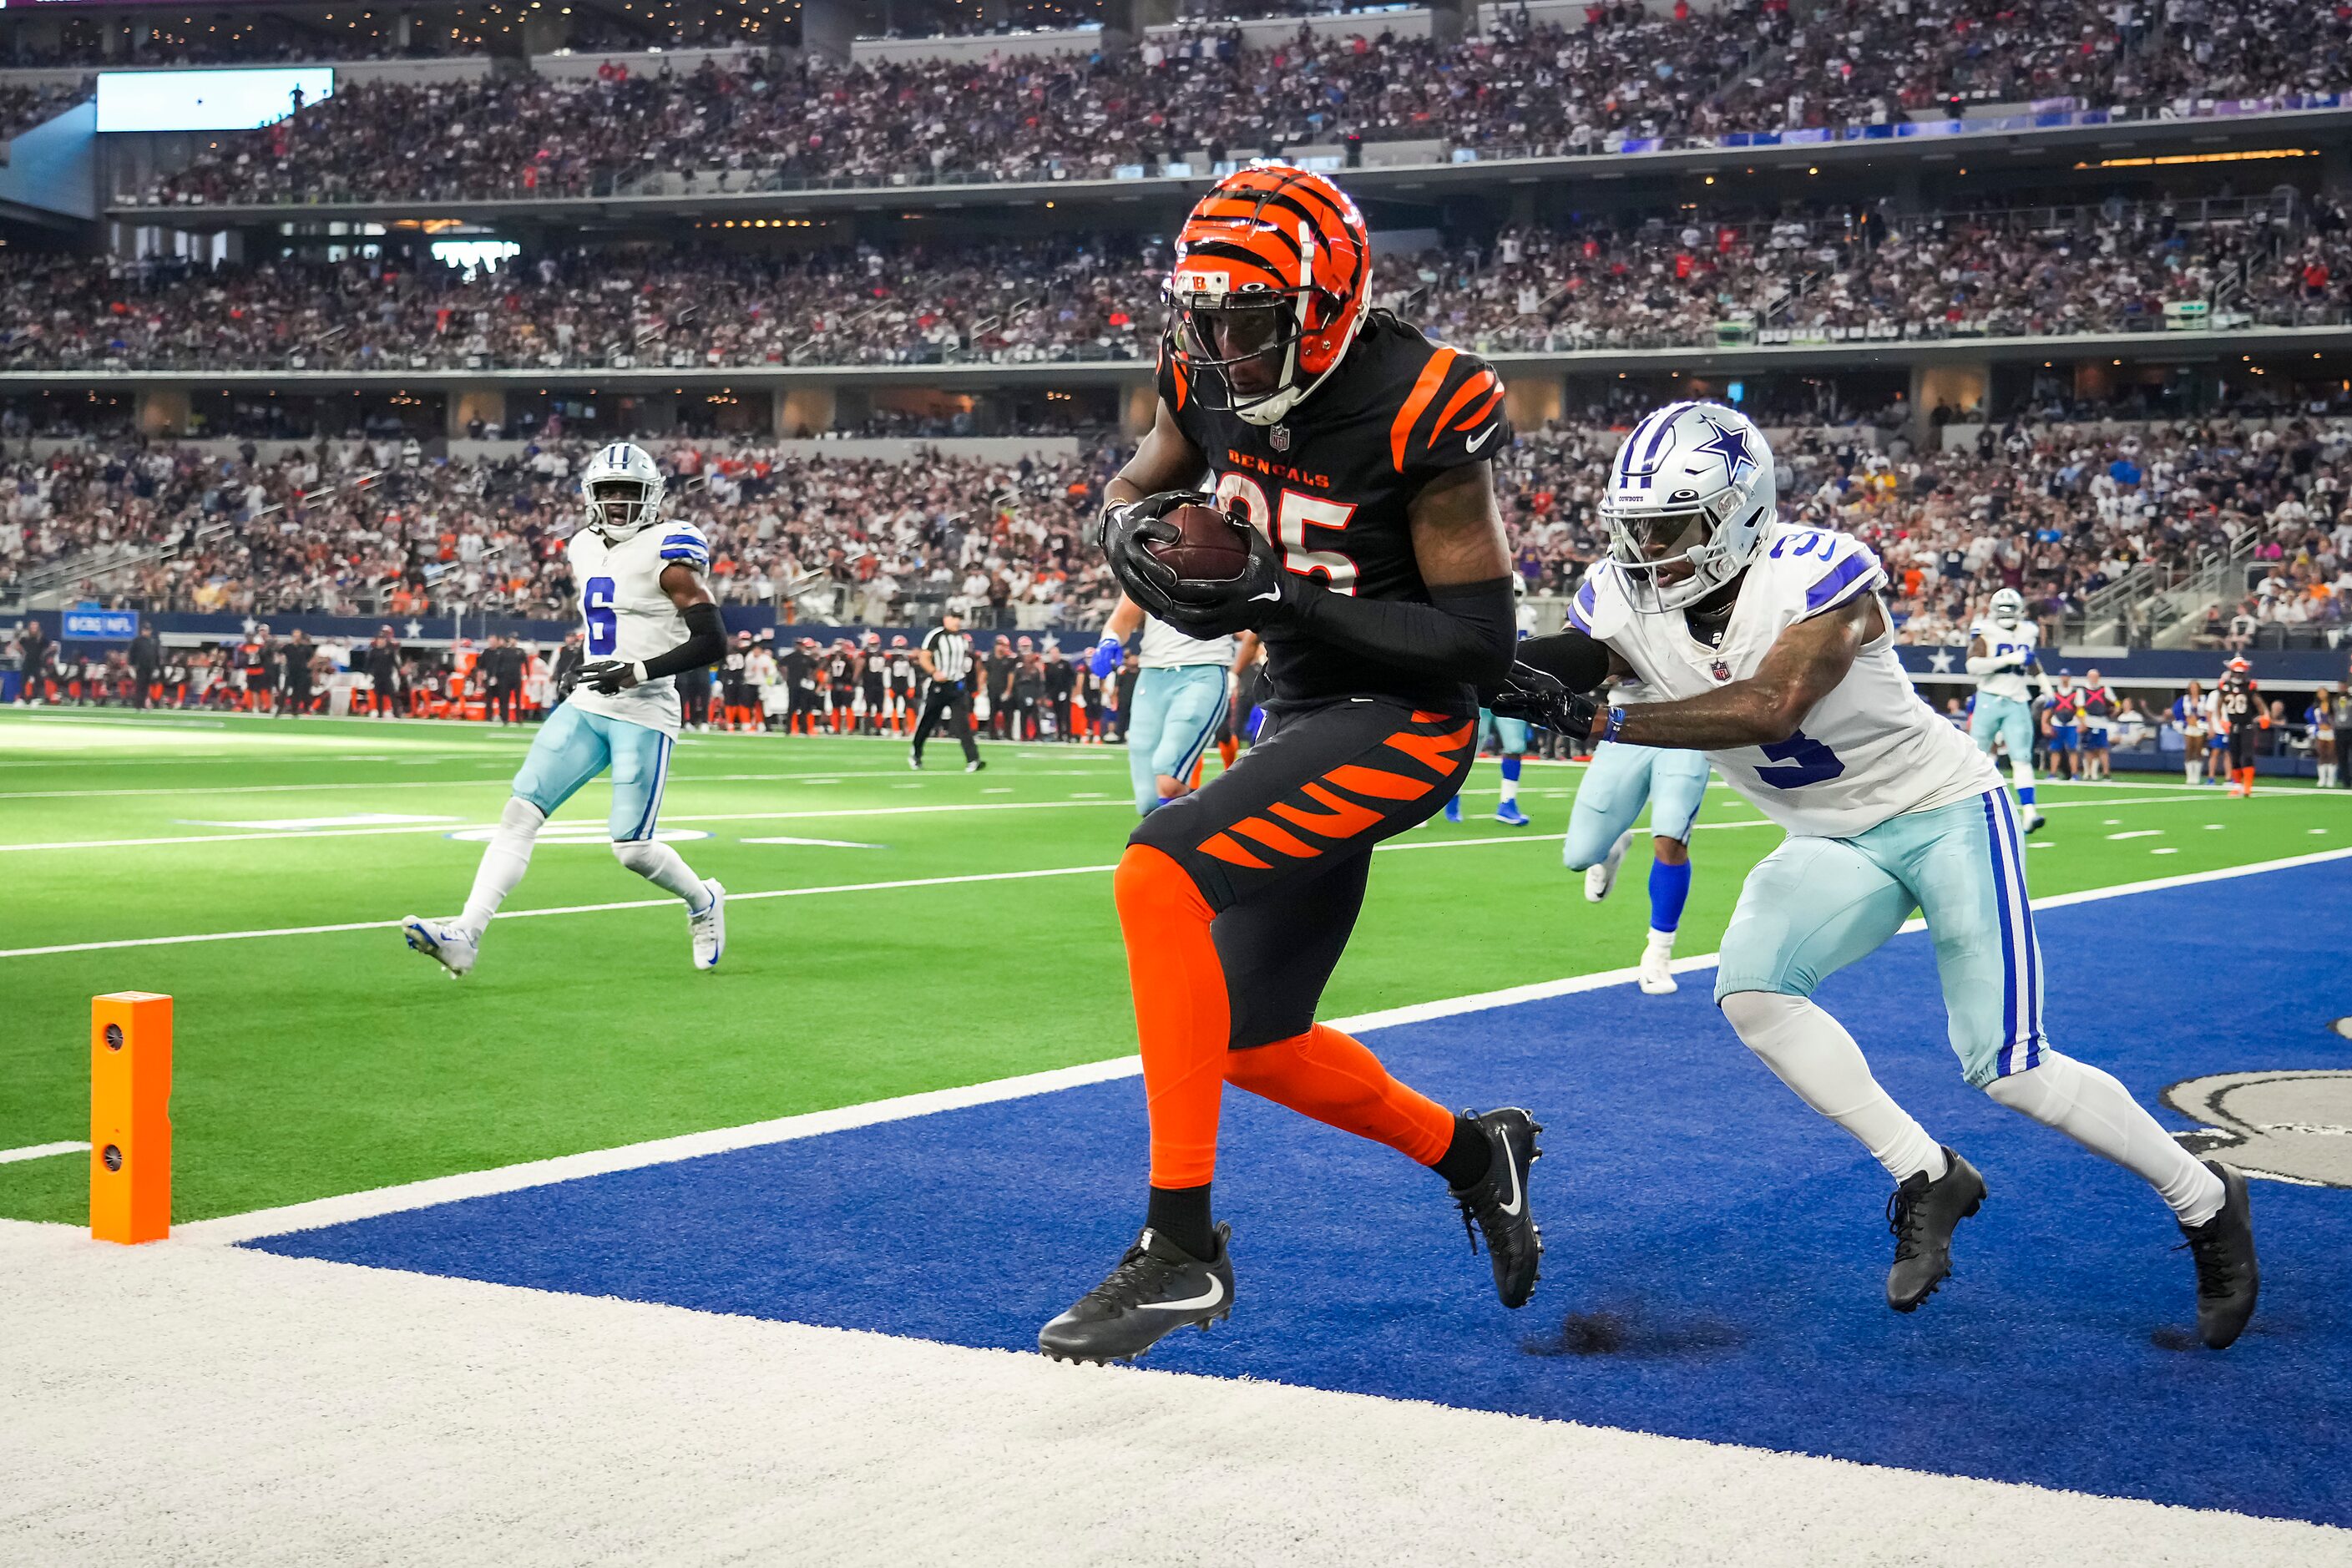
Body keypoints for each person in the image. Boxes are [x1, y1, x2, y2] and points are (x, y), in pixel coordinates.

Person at [1506, 400, 2258, 1350]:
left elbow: (1773, 706)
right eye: (1634, 526)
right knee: (1753, 994)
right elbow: (1551, 661)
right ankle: (1926, 1172)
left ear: (1739, 513)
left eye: (1670, 525)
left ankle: (2204, 1198)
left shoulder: (1821, 575)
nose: (1647, 548)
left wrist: (1592, 719)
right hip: (1828, 836)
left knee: (2009, 1065)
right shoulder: (1623, 599)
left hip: (1939, 812)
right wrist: (1462, 667)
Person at [1042, 164, 1541, 1366]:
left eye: (1248, 319)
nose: (1221, 347)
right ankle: (1482, 1153)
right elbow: (1137, 475)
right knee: (1253, 1035)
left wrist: (1278, 594)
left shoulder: (1421, 402)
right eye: (1203, 318)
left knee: (1156, 874)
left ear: (1323, 306)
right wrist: (1123, 530)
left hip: (1407, 716)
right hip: (1302, 709)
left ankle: (1181, 1247)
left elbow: (1477, 648)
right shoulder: (1204, 377)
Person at [401, 442, 728, 977]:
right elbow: (616, 623)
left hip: (644, 710)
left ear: (653, 497)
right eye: (609, 492)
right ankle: (466, 934)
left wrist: (637, 671)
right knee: (519, 813)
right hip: (589, 701)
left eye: (630, 492)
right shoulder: (581, 545)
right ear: (591, 497)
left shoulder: (670, 550)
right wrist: (586, 662)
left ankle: (703, 901)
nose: (619, 503)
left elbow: (713, 642)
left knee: (633, 849)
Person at [1091, 594, 1238, 815]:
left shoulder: (1228, 559)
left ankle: (1203, 838)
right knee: (1148, 800)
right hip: (1151, 676)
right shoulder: (1146, 561)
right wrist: (1109, 638)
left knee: (1169, 774)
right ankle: (1189, 841)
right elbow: (1125, 615)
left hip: (1203, 669)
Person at [1443, 573, 1538, 827]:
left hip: (1512, 688)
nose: (1512, 599)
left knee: (1515, 747)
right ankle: (1450, 798)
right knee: (1467, 748)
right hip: (1478, 686)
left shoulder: (1527, 615)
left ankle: (1508, 803)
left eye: (1516, 594)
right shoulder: (1481, 612)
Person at [1964, 588, 2046, 831]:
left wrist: (2046, 688)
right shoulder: (1984, 629)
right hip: (1989, 697)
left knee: (2022, 759)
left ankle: (2029, 812)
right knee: (1978, 758)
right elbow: (1972, 665)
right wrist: (2007, 660)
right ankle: (1975, 810)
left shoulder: (2028, 631)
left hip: (2018, 699)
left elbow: (2032, 662)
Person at [910, 609, 983, 771]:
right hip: (939, 687)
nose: (957, 621)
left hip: (957, 686)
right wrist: (934, 672)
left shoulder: (962, 639)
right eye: (954, 618)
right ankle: (916, 753)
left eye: (959, 618)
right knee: (928, 722)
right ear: (945, 619)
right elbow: (924, 657)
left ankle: (973, 758)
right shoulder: (936, 635)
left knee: (963, 724)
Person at [2216, 655, 2267, 797]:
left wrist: (2264, 715)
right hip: (2233, 724)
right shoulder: (2224, 686)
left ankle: (2248, 786)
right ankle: (2237, 786)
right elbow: (2219, 705)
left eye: (2240, 673)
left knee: (2248, 754)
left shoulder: (2249, 686)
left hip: (2247, 724)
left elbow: (2259, 703)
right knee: (2235, 756)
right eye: (2236, 672)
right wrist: (2222, 720)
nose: (2238, 675)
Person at [2079, 667, 2116, 781]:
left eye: (2095, 677)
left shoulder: (2105, 689)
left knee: (2103, 749)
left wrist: (2115, 711)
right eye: (2091, 677)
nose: (2093, 679)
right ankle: (2088, 773)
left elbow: (2116, 702)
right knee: (2088, 749)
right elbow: (2080, 708)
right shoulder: (2082, 690)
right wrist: (2083, 722)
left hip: (2102, 722)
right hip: (2089, 721)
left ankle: (2106, 773)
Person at [2177, 679, 2210, 785]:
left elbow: (2209, 711)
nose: (2194, 689)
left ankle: (2197, 776)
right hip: (2189, 727)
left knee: (2198, 751)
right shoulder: (2185, 699)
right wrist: (2184, 720)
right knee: (2189, 751)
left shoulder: (2204, 699)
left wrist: (2203, 721)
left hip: (2200, 727)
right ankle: (2189, 776)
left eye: (2195, 687)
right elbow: (2176, 710)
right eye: (2192, 688)